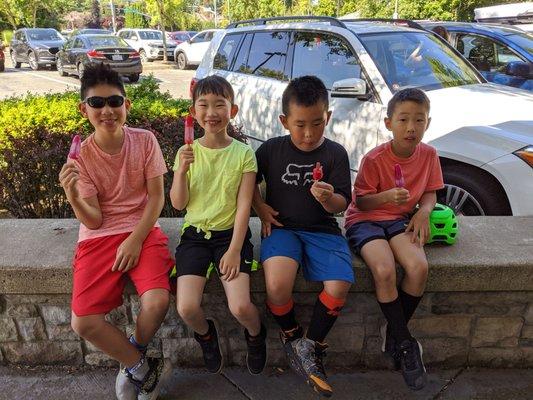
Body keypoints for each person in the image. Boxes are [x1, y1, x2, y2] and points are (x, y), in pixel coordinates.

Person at [58, 63, 173, 400]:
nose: (107, 110)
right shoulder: (82, 157)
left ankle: (130, 358)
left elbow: (157, 198)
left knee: (157, 301)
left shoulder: (145, 141)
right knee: (83, 322)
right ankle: (140, 366)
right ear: (84, 109)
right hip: (98, 237)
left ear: (127, 105)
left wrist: (135, 240)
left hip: (143, 228)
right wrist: (73, 196)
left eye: (114, 101)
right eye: (96, 103)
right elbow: (92, 220)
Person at [253, 75, 354, 398]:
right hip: (282, 228)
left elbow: (342, 203)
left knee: (339, 285)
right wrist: (261, 208)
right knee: (277, 285)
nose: (309, 134)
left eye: (316, 123)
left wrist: (328, 198)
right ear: (285, 121)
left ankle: (312, 345)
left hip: (322, 230)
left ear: (328, 117)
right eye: (299, 125)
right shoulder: (271, 150)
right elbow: (246, 182)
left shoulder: (336, 154)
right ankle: (293, 334)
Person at [344, 88, 444, 391]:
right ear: (389, 123)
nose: (411, 127)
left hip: (399, 221)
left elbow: (430, 191)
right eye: (403, 120)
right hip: (365, 222)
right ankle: (406, 343)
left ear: (428, 123)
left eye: (419, 120)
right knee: (385, 269)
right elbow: (361, 204)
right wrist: (386, 196)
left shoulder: (429, 155)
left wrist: (424, 211)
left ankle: (395, 332)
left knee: (418, 267)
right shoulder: (374, 159)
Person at [170, 75, 267, 376]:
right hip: (195, 236)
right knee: (186, 307)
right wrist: (181, 171)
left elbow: (243, 206)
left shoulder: (243, 154)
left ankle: (255, 334)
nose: (211, 112)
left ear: (232, 111)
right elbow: (178, 203)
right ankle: (206, 335)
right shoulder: (186, 153)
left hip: (230, 236)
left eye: (219, 105)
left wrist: (236, 249)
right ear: (193, 112)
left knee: (240, 307)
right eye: (204, 105)